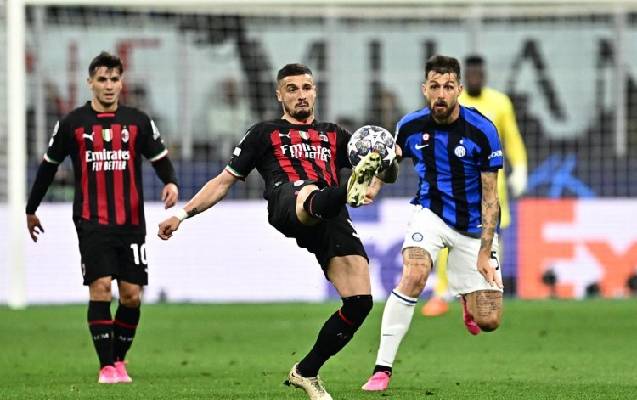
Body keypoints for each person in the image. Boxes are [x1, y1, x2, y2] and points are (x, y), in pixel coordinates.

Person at [157, 63, 395, 400]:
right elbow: (223, 182)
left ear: (315, 92)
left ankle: (306, 371)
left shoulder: (335, 135)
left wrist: (386, 164)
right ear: (279, 95)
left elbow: (380, 181)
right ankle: (346, 190)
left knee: (359, 303)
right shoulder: (263, 133)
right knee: (308, 190)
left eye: (307, 87)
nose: (301, 94)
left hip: (331, 216)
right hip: (289, 200)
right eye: (292, 89)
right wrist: (182, 214)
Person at [25, 51, 179, 384]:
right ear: (90, 82)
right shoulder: (73, 123)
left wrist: (170, 182)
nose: (109, 85)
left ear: (121, 83)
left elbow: (160, 158)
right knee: (100, 288)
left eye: (114, 79)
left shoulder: (137, 121)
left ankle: (118, 360)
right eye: (102, 79)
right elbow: (48, 167)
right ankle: (106, 367)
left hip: (131, 222)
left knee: (131, 295)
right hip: (91, 221)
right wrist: (31, 208)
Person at [360, 55, 504, 391]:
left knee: (489, 320)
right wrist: (373, 187)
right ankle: (382, 369)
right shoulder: (410, 126)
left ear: (459, 89)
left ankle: (467, 299)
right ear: (424, 89)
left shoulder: (482, 131)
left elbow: (490, 198)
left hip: (472, 226)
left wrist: (484, 252)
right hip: (431, 213)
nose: (441, 94)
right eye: (435, 86)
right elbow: (390, 163)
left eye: (448, 87)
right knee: (414, 274)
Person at [421, 54, 528, 317]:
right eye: (470, 74)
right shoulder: (453, 101)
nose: (475, 78)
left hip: (491, 189)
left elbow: (512, 138)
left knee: (491, 243)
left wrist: (521, 167)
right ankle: (441, 294)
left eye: (479, 74)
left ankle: (482, 295)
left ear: (484, 75)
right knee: (447, 240)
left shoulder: (500, 103)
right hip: (456, 189)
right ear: (463, 79)